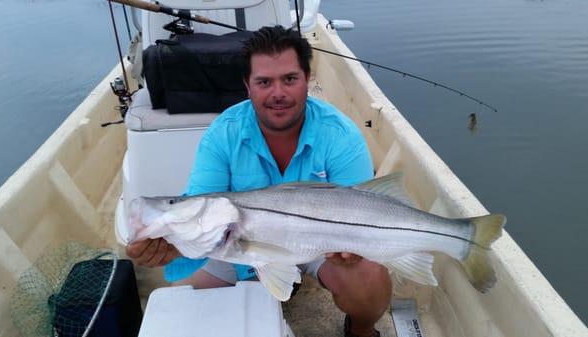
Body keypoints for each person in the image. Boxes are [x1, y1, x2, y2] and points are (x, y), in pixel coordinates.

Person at [126, 26, 391, 337]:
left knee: (370, 281)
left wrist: (354, 251)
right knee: (187, 296)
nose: (278, 93)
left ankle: (360, 330)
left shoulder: (341, 136)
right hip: (237, 244)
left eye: (289, 79)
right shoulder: (222, 134)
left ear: (307, 79)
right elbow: (199, 205)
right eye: (264, 82)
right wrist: (175, 244)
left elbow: (364, 209)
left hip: (323, 245)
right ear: (247, 86)